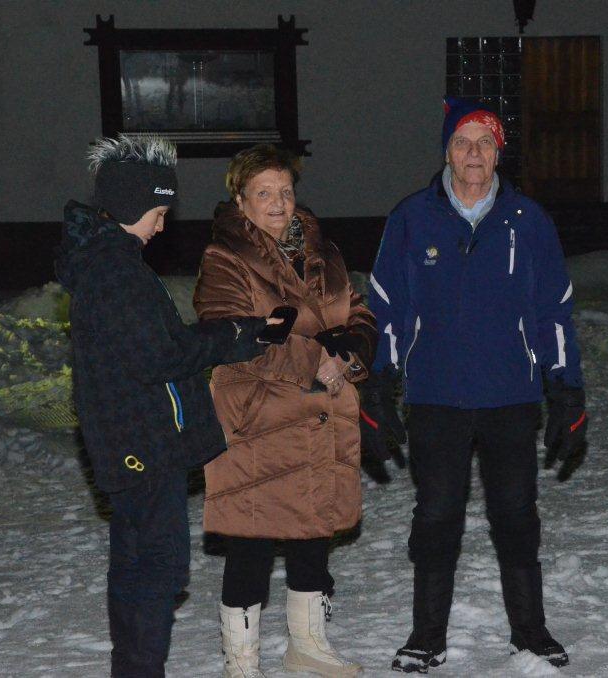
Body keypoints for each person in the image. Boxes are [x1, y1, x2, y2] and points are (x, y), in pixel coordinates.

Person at [363, 97, 589, 673]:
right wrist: (377, 384)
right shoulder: (411, 218)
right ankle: (426, 636)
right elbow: (386, 308)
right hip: (435, 396)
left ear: (498, 155)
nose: (473, 154)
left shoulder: (528, 221)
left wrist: (565, 388)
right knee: (436, 514)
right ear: (446, 151)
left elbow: (554, 310)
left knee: (516, 514)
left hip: (510, 395)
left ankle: (530, 631)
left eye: (484, 143)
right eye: (462, 142)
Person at [55, 135, 277, 677]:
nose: (161, 226)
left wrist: (235, 334)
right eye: (158, 214)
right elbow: (161, 355)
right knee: (156, 568)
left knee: (139, 564)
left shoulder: (110, 262)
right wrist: (233, 335)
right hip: (141, 444)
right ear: (134, 206)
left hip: (133, 441)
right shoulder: (116, 271)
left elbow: (156, 347)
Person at [193, 144, 375, 678]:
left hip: (321, 414)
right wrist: (318, 355)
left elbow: (358, 312)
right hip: (260, 417)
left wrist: (349, 354)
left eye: (286, 191)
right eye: (264, 193)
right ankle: (242, 662)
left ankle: (307, 646)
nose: (278, 203)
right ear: (241, 201)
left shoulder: (323, 252)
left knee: (313, 533)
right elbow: (232, 333)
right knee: (251, 542)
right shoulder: (224, 258)